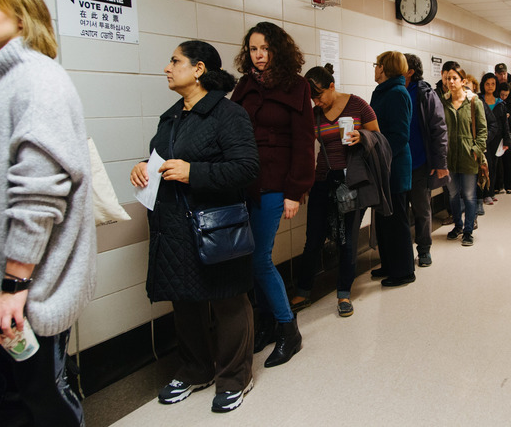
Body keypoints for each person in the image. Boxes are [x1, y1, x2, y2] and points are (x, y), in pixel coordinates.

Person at [0, 0, 95, 426]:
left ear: (21, 15)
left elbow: (40, 196)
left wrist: (15, 286)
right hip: (6, 283)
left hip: (28, 284)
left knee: (45, 401)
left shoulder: (39, 79)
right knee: (19, 400)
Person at [130, 41, 258, 413]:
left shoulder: (227, 114)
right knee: (185, 299)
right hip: (174, 226)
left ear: (199, 69)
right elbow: (162, 156)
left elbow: (247, 168)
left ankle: (235, 376)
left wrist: (193, 172)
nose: (167, 68)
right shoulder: (171, 116)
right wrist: (144, 166)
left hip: (214, 225)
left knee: (227, 299)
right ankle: (196, 368)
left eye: (174, 61)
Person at [231, 21, 314, 367]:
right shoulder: (245, 85)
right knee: (248, 260)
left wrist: (295, 190)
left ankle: (288, 329)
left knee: (258, 258)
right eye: (253, 48)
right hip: (244, 182)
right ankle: (265, 324)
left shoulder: (297, 86)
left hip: (276, 184)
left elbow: (304, 141)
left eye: (265, 48)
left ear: (277, 49)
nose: (259, 54)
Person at [289, 64, 379, 317]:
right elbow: (306, 149)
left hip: (351, 180)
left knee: (347, 239)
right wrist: (304, 182)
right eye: (312, 98)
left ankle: (343, 294)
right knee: (313, 238)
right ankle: (303, 291)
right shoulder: (315, 113)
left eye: (319, 96)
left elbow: (379, 138)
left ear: (332, 86)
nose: (317, 102)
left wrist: (361, 137)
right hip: (323, 179)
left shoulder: (358, 105)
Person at [370, 51, 416, 287]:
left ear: (385, 68)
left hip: (394, 166)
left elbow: (399, 135)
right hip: (383, 165)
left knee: (396, 220)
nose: (374, 68)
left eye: (377, 64)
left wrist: (381, 154)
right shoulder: (383, 91)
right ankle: (389, 264)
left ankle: (405, 271)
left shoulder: (398, 93)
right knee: (384, 219)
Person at [403, 54, 449, 267]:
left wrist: (440, 163)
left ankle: (424, 250)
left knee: (421, 209)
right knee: (399, 212)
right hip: (398, 164)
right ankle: (402, 253)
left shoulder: (424, 94)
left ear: (410, 71)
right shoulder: (395, 91)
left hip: (420, 162)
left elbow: (439, 128)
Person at [441, 62, 487, 246]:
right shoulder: (442, 102)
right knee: (452, 194)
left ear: (463, 81)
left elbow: (483, 130)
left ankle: (468, 230)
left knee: (469, 195)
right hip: (449, 157)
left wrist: (476, 150)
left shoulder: (474, 101)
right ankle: (457, 225)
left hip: (469, 157)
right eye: (447, 78)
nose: (451, 82)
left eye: (454, 78)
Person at [479, 72, 510, 203]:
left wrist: (506, 140)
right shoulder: (478, 100)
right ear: (483, 85)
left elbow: (504, 123)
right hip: (482, 138)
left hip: (496, 139)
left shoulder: (500, 103)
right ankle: (483, 194)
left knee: (493, 166)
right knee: (484, 165)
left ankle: (490, 192)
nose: (490, 87)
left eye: (493, 84)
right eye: (487, 84)